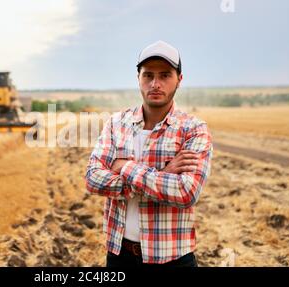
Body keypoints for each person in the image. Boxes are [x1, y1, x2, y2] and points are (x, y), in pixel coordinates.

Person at [85, 40, 213, 267]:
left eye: (165, 75)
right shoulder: (116, 124)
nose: (155, 84)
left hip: (173, 259)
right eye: (148, 75)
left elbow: (185, 192)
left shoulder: (193, 129)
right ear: (138, 78)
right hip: (119, 256)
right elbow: (93, 179)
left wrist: (124, 167)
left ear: (179, 80)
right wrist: (162, 174)